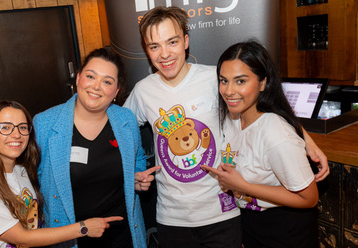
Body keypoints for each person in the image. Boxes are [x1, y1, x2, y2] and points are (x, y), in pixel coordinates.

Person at [123, 6, 328, 248]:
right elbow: (120, 129)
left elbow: (270, 106)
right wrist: (133, 172)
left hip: (223, 213)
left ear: (186, 41)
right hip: (171, 216)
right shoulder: (143, 90)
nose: (164, 54)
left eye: (172, 42)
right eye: (154, 46)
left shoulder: (217, 78)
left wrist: (307, 141)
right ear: (146, 49)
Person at [33, 48, 159, 248]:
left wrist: (137, 177)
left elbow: (138, 159)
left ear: (116, 91)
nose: (96, 86)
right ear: (79, 78)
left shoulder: (125, 120)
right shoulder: (45, 124)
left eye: (107, 81)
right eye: (91, 76)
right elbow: (30, 182)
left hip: (123, 236)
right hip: (71, 239)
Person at [0, 100, 122, 248]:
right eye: (5, 127)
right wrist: (83, 228)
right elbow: (22, 238)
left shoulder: (21, 168)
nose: (16, 134)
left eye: (22, 127)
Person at [202, 40, 319, 248]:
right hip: (251, 224)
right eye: (223, 80)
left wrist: (242, 186)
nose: (228, 91)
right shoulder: (232, 118)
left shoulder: (276, 133)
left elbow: (309, 198)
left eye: (240, 81)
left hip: (285, 231)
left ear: (263, 83)